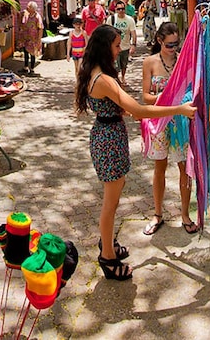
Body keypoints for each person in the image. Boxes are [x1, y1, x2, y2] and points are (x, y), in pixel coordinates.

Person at [74, 24, 196, 280]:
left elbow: (123, 108)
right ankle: (107, 257)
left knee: (114, 197)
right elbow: (139, 109)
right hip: (109, 140)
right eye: (117, 46)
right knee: (110, 203)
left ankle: (108, 243)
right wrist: (178, 110)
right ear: (105, 47)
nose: (120, 50)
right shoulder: (104, 79)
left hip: (108, 135)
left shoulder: (95, 73)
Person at [141, 22, 197, 235]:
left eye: (176, 44)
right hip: (159, 122)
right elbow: (145, 96)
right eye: (169, 45)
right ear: (159, 41)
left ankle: (185, 214)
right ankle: (157, 213)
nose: (173, 49)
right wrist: (167, 99)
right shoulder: (150, 62)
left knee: (185, 168)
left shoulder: (184, 61)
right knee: (160, 168)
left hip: (180, 123)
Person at [106, 0, 138, 85]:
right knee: (116, 66)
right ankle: (116, 80)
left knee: (124, 65)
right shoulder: (111, 19)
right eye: (119, 9)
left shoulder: (129, 20)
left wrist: (133, 45)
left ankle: (123, 77)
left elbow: (133, 33)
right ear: (116, 9)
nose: (121, 11)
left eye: (123, 9)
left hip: (125, 46)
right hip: (114, 47)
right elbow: (106, 31)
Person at [18, 1, 43, 75]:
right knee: (25, 52)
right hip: (25, 37)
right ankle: (25, 67)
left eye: (28, 6)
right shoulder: (25, 14)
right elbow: (21, 22)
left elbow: (40, 28)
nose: (26, 7)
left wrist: (39, 39)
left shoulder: (37, 16)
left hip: (33, 39)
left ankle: (32, 68)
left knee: (32, 53)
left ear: (32, 8)